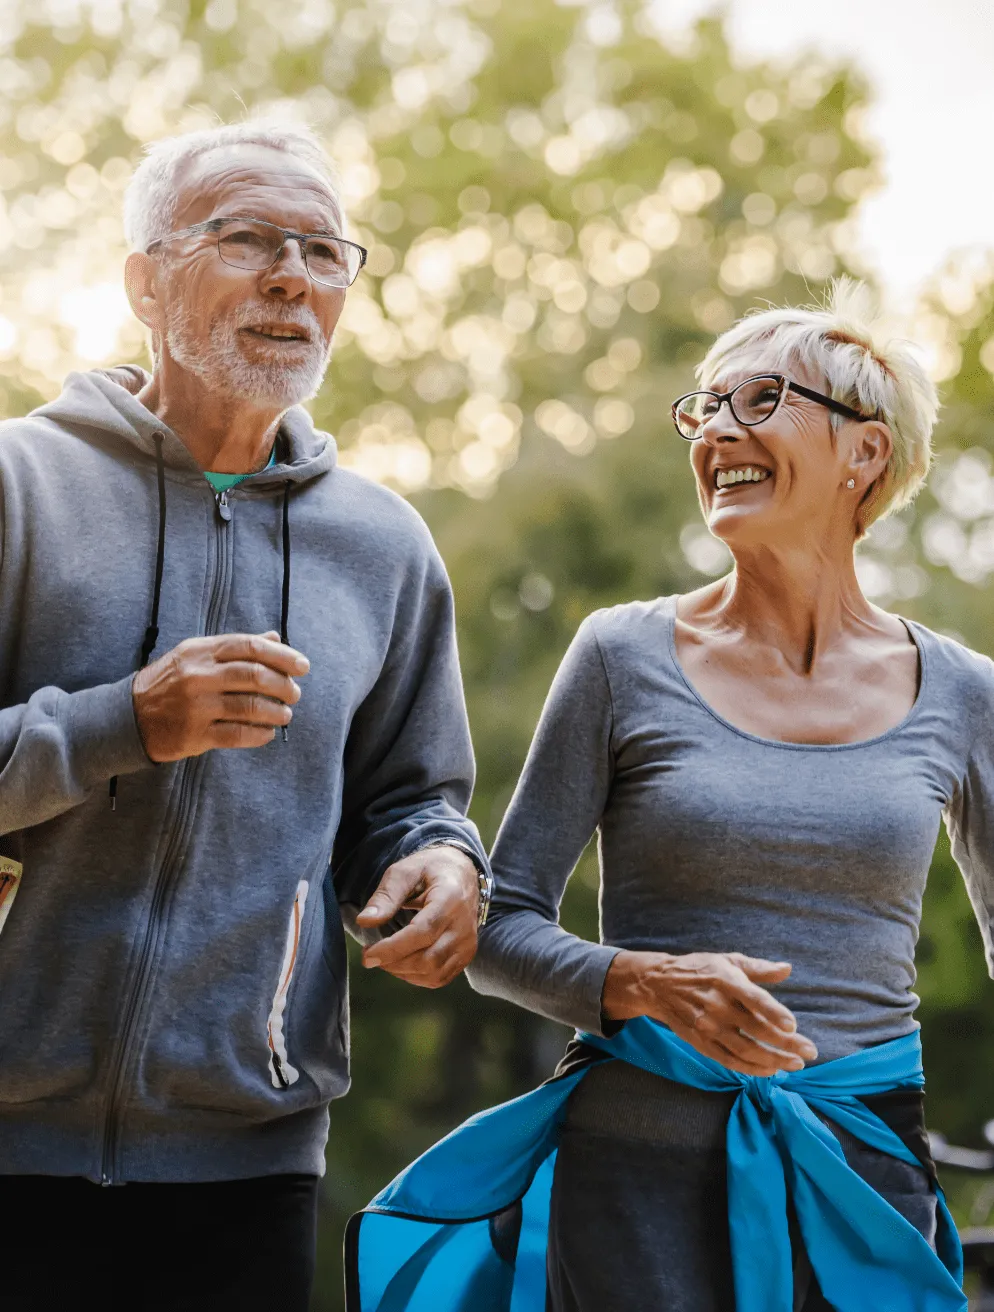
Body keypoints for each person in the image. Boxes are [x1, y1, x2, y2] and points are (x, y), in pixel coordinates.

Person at [347, 282, 979, 1311]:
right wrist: (643, 982)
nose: (719, 429)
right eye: (706, 408)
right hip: (629, 1192)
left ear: (864, 453)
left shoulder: (962, 690)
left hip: (863, 1180)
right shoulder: (619, 654)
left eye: (762, 400)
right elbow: (498, 928)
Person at [0, 120, 491, 1312]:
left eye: (326, 253)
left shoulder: (382, 544)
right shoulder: (20, 487)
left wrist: (439, 860)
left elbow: (411, 796)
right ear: (145, 280)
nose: (293, 277)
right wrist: (124, 722)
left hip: (248, 1155)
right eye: (250, 239)